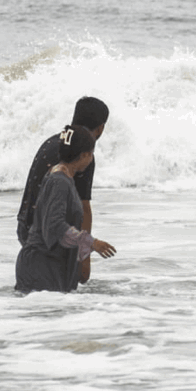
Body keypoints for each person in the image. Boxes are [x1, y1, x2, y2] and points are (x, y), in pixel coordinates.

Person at [15, 124, 118, 293]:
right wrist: (92, 243)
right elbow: (55, 226)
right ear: (84, 155)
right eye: (91, 153)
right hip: (41, 268)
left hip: (45, 266)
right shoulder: (59, 182)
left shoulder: (60, 176)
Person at [18, 96, 109, 265]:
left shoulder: (52, 142)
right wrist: (84, 261)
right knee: (56, 287)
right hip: (51, 238)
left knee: (41, 290)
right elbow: (84, 208)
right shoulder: (84, 154)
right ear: (100, 128)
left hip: (26, 229)